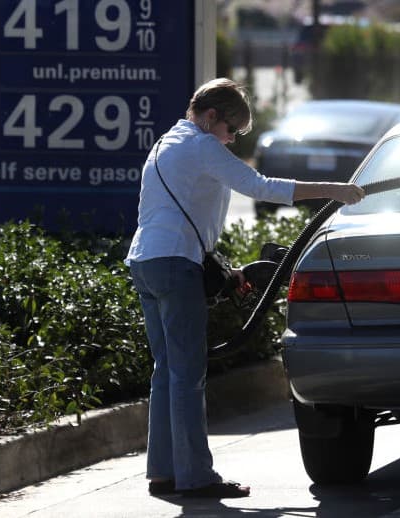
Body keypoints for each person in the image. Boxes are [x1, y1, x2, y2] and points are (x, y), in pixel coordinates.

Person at [125, 78, 365, 499]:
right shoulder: (202, 146)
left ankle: (162, 473)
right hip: (174, 263)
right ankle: (196, 477)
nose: (232, 141)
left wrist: (221, 268)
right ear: (212, 116)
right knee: (188, 375)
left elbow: (173, 214)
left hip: (146, 262)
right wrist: (334, 191)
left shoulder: (165, 144)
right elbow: (262, 188)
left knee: (166, 372)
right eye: (231, 130)